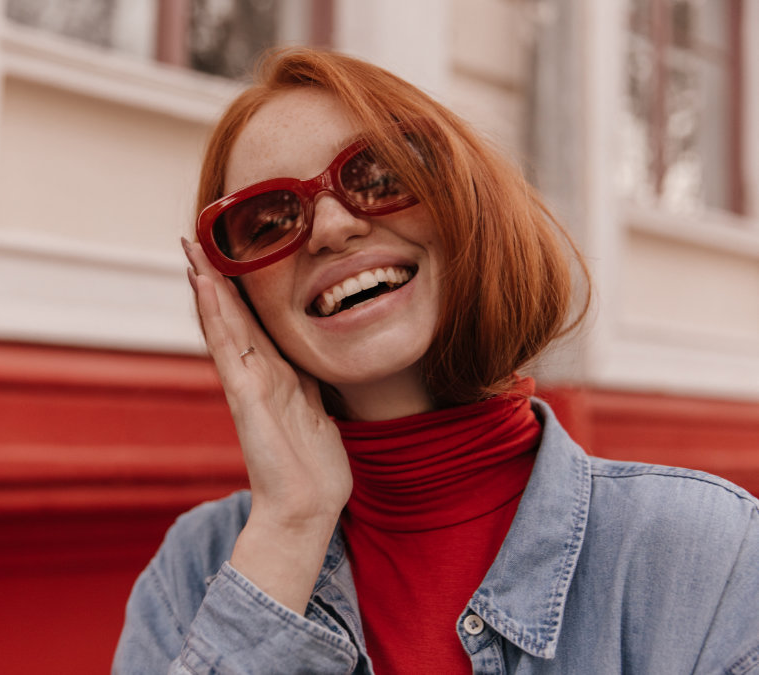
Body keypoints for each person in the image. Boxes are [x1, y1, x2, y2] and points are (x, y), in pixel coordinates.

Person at [112, 48, 759, 673]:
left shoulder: (708, 554)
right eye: (269, 221)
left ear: (464, 204)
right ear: (239, 297)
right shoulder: (193, 574)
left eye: (378, 175)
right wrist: (289, 530)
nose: (332, 227)